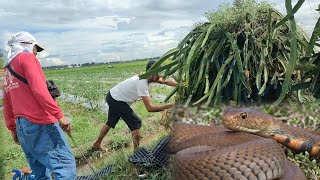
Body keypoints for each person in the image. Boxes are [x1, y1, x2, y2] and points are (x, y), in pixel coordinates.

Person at [3, 32, 76, 180]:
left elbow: (7, 103)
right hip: (40, 123)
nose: (36, 53)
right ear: (27, 45)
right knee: (65, 167)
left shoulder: (7, 69)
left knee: (40, 172)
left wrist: (13, 129)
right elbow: (40, 91)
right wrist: (60, 115)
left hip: (22, 127)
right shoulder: (27, 58)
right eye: (36, 48)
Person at [92, 61, 177, 151]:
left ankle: (96, 144)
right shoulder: (142, 83)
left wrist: (176, 85)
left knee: (111, 121)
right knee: (136, 122)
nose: (160, 77)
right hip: (117, 100)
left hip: (112, 96)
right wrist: (170, 106)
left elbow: (163, 81)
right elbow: (150, 108)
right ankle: (136, 151)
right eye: (158, 75)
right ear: (151, 73)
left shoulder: (146, 76)